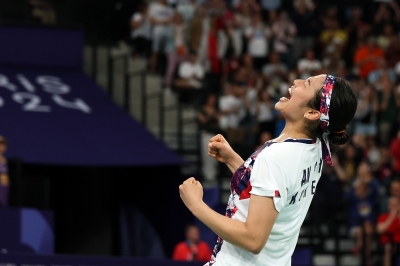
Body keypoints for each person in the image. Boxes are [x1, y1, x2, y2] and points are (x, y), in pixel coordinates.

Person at [179, 74, 357, 265]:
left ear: (313, 113)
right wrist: (234, 161)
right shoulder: (315, 148)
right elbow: (270, 190)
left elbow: (253, 239)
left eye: (306, 83)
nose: (296, 82)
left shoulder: (276, 157)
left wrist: (196, 205)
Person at [377, 197, 400, 266]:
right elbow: (380, 230)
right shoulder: (383, 217)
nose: (393, 207)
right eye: (391, 205)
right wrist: (392, 217)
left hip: (398, 243)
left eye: (395, 205)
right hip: (387, 244)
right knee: (388, 247)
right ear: (388, 206)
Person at [0, 136, 9, 206]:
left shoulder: (4, 160)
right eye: (0, 143)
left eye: (4, 144)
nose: (3, 146)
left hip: (3, 192)